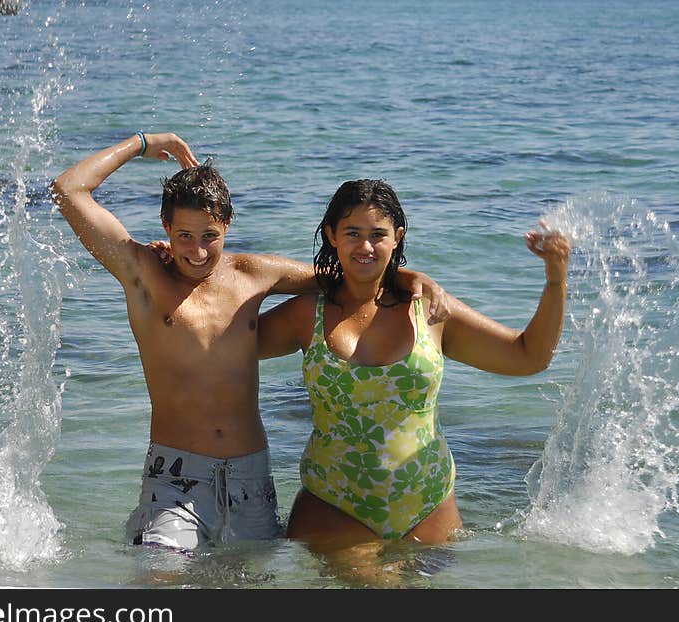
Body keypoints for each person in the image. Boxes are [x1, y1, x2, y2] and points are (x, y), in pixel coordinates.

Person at [50, 133, 447, 551]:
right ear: (166, 226)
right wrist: (143, 143)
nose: (197, 251)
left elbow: (352, 273)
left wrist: (410, 277)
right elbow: (68, 189)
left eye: (209, 236)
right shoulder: (144, 273)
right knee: (162, 577)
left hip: (251, 480)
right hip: (175, 479)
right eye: (184, 235)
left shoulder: (252, 274)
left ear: (227, 225)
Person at [258, 178, 571, 552]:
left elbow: (528, 356)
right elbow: (220, 348)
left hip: (429, 508)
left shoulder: (431, 311)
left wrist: (556, 278)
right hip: (333, 506)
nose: (365, 246)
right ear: (331, 235)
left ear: (397, 237)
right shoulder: (305, 314)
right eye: (352, 233)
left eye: (378, 234)